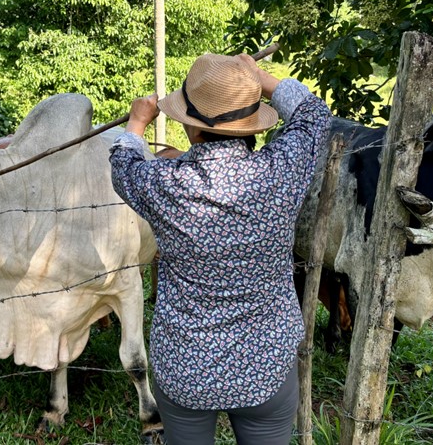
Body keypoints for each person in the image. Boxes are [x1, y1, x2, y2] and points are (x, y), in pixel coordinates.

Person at [108, 52, 332, 444]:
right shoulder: (282, 170)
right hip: (266, 367)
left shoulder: (163, 184)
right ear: (253, 123)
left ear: (191, 128)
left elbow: (122, 164)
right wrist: (259, 77)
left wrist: (138, 121)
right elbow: (315, 115)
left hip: (185, 367)